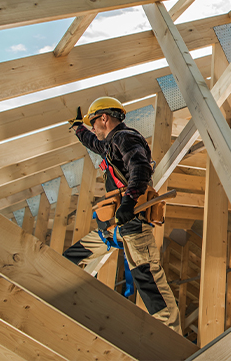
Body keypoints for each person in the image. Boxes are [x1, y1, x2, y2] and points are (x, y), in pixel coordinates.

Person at [64, 96, 181, 333]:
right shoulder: (110, 143)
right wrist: (79, 128)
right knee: (73, 256)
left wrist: (128, 201)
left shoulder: (126, 138)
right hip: (115, 227)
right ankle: (55, 283)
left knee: (148, 280)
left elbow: (140, 168)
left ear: (104, 118)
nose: (93, 128)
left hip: (133, 224)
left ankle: (171, 334)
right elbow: (92, 142)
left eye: (93, 122)